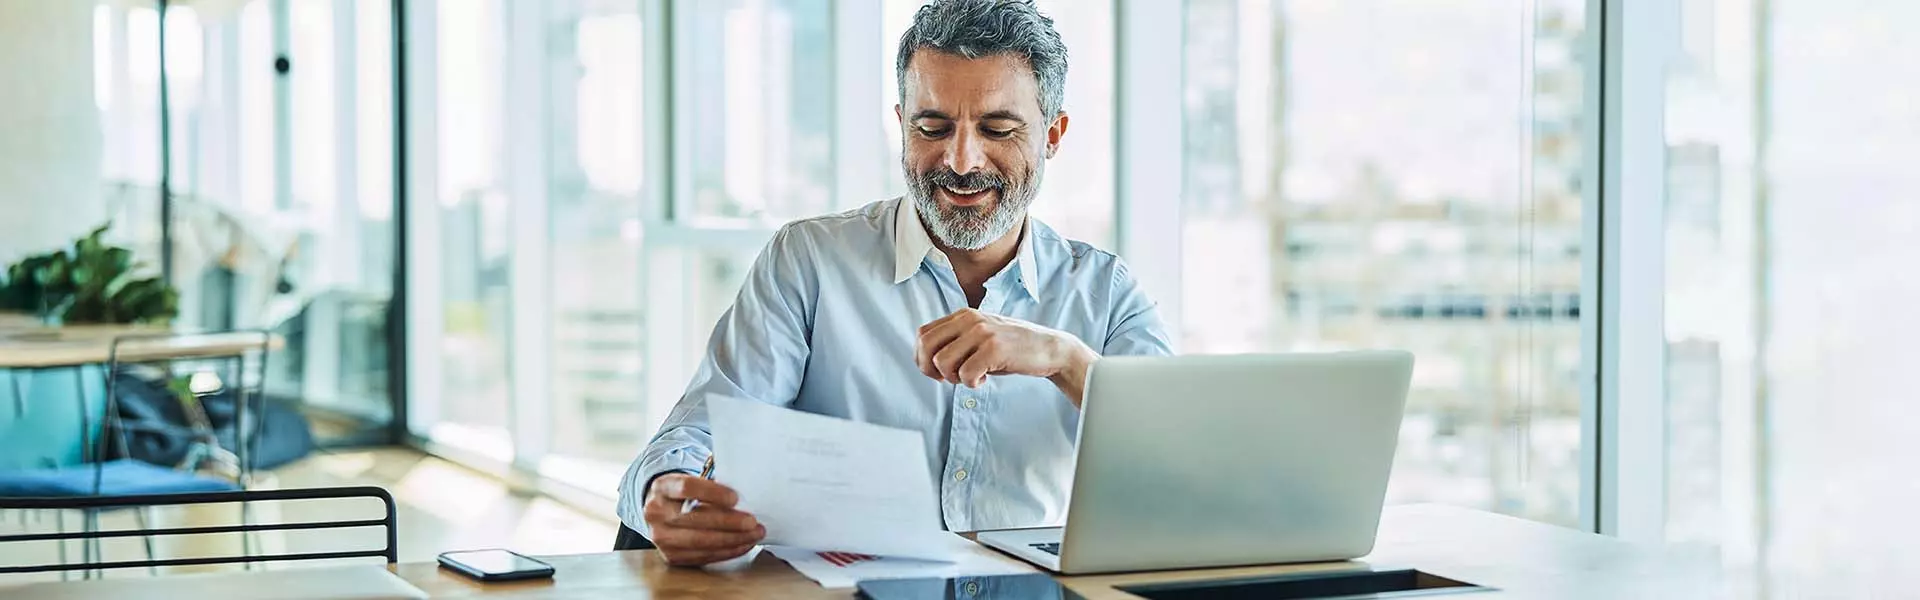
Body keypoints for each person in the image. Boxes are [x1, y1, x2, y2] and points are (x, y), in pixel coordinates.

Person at [617, 0, 1173, 566]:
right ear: (902, 123)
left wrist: (1064, 359)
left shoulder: (1105, 294)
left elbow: (1182, 470)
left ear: (1052, 134)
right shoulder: (810, 262)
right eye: (932, 127)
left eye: (998, 128)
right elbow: (700, 433)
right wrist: (666, 492)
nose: (961, 160)